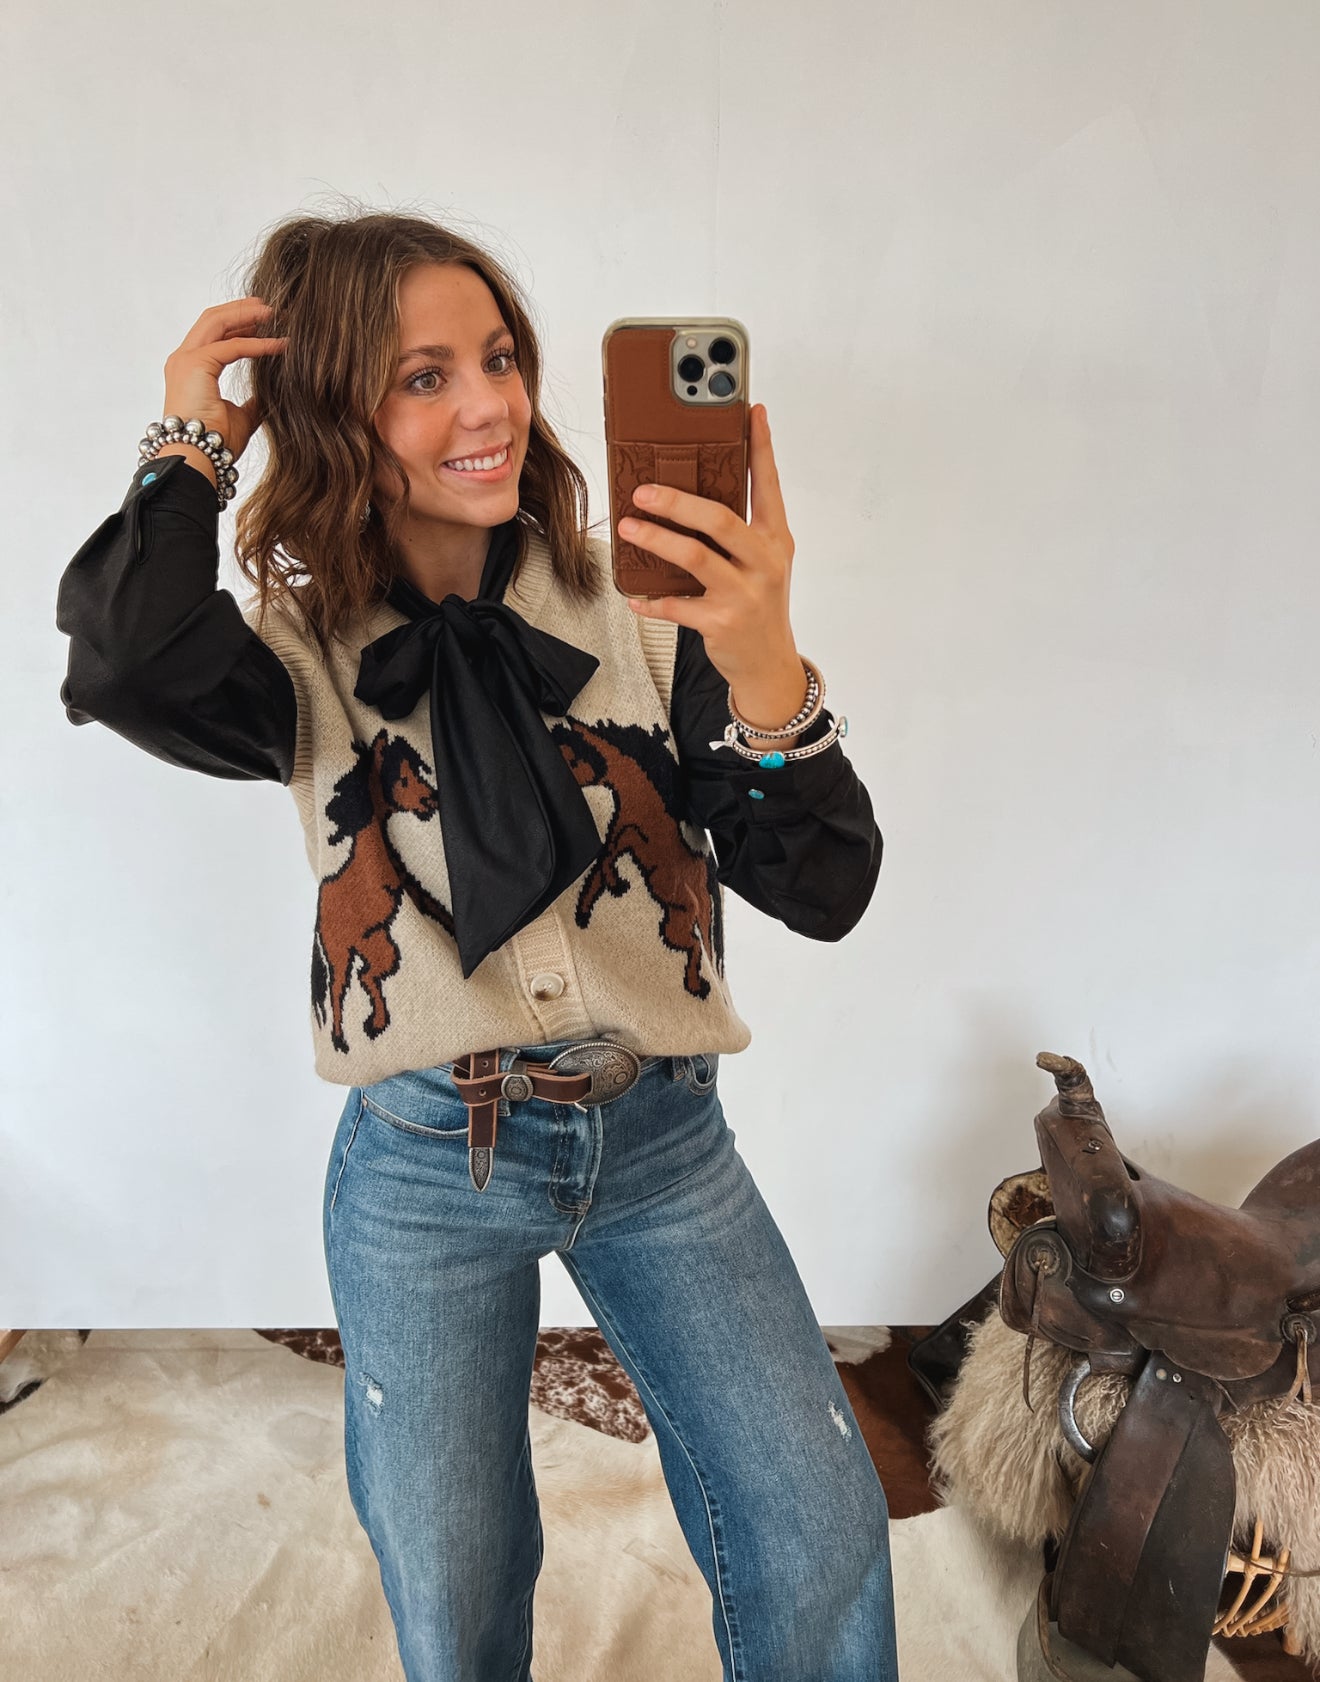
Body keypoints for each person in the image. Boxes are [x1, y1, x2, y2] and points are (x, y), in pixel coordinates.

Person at [55, 208, 897, 1682]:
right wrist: (191, 444)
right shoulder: (292, 652)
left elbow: (823, 888)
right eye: (421, 377)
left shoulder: (646, 606)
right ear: (332, 414)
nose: (490, 405)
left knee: (817, 1523)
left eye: (498, 358)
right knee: (455, 1582)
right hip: (424, 1165)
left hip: (665, 1143)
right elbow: (124, 658)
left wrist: (766, 661)